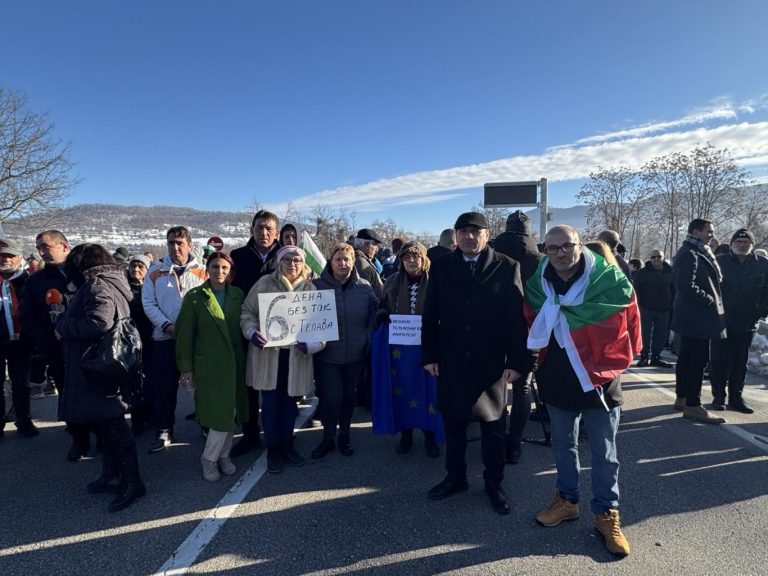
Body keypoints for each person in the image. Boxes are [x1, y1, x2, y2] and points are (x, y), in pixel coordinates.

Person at [526, 225, 640, 557]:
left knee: (604, 453)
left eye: (567, 246)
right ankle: (567, 500)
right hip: (559, 378)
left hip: (599, 381)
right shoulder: (538, 283)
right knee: (563, 445)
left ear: (580, 245)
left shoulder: (608, 280)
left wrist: (618, 360)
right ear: (545, 250)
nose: (560, 253)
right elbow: (528, 321)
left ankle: (607, 513)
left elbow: (628, 323)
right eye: (552, 248)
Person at [422, 212, 529, 516]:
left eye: (475, 231)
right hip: (451, 359)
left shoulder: (507, 266)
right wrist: (428, 355)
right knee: (454, 423)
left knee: (493, 427)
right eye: (463, 231)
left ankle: (494, 484)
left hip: (491, 362)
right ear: (455, 236)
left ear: (486, 234)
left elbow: (515, 320)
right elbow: (430, 315)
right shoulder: (441, 267)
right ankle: (455, 478)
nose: (469, 236)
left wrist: (516, 361)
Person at [55, 243, 145, 512]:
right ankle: (112, 474)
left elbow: (99, 322)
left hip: (99, 365)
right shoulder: (112, 279)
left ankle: (133, 482)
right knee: (108, 423)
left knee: (114, 425)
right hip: (107, 364)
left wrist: (63, 325)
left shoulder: (96, 284)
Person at [241, 245, 322, 473]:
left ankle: (287, 445)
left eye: (297, 260)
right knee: (270, 405)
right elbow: (246, 312)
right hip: (269, 356)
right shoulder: (264, 284)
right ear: (279, 262)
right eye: (287, 260)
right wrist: (251, 332)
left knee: (289, 405)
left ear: (303, 263)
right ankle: (273, 449)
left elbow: (321, 326)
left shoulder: (310, 289)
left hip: (296, 356)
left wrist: (313, 344)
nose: (292, 264)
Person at [175, 251, 249, 481]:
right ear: (208, 270)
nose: (219, 272)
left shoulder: (237, 294)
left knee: (232, 412)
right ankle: (209, 458)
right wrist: (186, 368)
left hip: (235, 363)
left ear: (230, 272)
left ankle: (224, 455)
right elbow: (184, 335)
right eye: (215, 267)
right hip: (210, 366)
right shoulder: (195, 297)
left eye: (224, 268)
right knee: (219, 415)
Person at [20, 230, 89, 460]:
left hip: (89, 346)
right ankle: (79, 439)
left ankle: (103, 435)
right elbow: (27, 317)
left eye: (46, 246)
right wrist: (47, 340)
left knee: (95, 392)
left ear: (64, 246)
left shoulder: (83, 273)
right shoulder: (35, 281)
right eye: (39, 248)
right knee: (67, 394)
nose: (42, 252)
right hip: (57, 350)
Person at [373, 240, 442, 458]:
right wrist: (382, 315)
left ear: (424, 258)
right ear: (402, 261)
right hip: (400, 349)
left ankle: (430, 436)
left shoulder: (436, 282)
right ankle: (406, 435)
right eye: (407, 257)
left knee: (429, 392)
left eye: (416, 256)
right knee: (403, 390)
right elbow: (381, 306)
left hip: (429, 346)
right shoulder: (392, 281)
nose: (412, 261)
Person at [142, 226, 207, 452]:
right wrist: (167, 326)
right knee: (164, 387)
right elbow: (148, 304)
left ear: (189, 245)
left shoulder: (204, 271)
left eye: (180, 243)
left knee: (201, 384)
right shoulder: (155, 272)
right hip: (165, 339)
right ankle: (164, 430)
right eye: (171, 243)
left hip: (196, 340)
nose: (175, 247)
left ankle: (206, 423)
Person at [311, 243, 377, 459]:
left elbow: (375, 315)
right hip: (327, 355)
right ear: (331, 262)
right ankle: (328, 437)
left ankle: (345, 435)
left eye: (347, 259)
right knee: (331, 397)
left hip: (355, 355)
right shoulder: (316, 287)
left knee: (348, 397)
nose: (342, 263)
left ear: (353, 262)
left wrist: (367, 336)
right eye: (338, 259)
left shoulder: (365, 287)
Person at [229, 210, 282, 457]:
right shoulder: (237, 257)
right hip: (247, 329)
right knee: (248, 385)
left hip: (281, 332)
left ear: (277, 233)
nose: (264, 232)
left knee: (276, 386)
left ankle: (281, 434)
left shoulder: (285, 257)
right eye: (259, 227)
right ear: (252, 230)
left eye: (269, 228)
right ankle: (250, 434)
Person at [491, 210, 542, 465]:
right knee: (522, 388)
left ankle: (497, 437)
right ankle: (514, 444)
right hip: (528, 327)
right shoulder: (540, 257)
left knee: (495, 384)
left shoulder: (490, 251)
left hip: (494, 327)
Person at [671, 218, 727, 424]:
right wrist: (710, 300)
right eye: (708, 231)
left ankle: (683, 397)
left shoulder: (694, 251)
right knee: (697, 361)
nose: (711, 234)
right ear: (696, 232)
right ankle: (693, 405)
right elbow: (685, 286)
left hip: (692, 318)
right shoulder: (690, 254)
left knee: (687, 359)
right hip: (696, 318)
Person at [709, 229, 768, 413]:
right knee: (719, 360)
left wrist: (760, 311)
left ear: (752, 245)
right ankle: (718, 397)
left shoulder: (762, 264)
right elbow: (711, 289)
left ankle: (736, 397)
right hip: (721, 321)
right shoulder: (719, 262)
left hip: (748, 321)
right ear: (732, 243)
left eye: (746, 242)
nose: (742, 245)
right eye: (738, 241)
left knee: (740, 362)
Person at [0, 241, 39, 438]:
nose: (6, 259)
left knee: (21, 383)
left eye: (10, 256)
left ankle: (24, 420)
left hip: (21, 341)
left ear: (19, 258)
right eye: (2, 256)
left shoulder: (29, 281)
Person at [126, 254, 154, 435]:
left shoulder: (152, 288)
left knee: (151, 380)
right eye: (133, 267)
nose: (136, 270)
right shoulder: (124, 290)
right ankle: (137, 419)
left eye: (140, 267)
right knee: (134, 383)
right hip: (130, 341)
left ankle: (151, 414)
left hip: (151, 340)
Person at [633, 249, 675, 368]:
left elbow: (674, 289)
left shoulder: (670, 272)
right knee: (645, 333)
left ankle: (656, 356)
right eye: (653, 257)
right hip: (646, 308)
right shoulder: (643, 272)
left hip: (665, 308)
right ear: (650, 259)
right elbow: (636, 289)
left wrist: (672, 305)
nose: (656, 259)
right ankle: (644, 356)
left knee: (661, 334)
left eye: (658, 256)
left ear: (663, 257)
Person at [353, 229, 384, 299]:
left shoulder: (363, 260)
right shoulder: (360, 263)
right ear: (366, 245)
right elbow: (365, 293)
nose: (377, 250)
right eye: (375, 245)